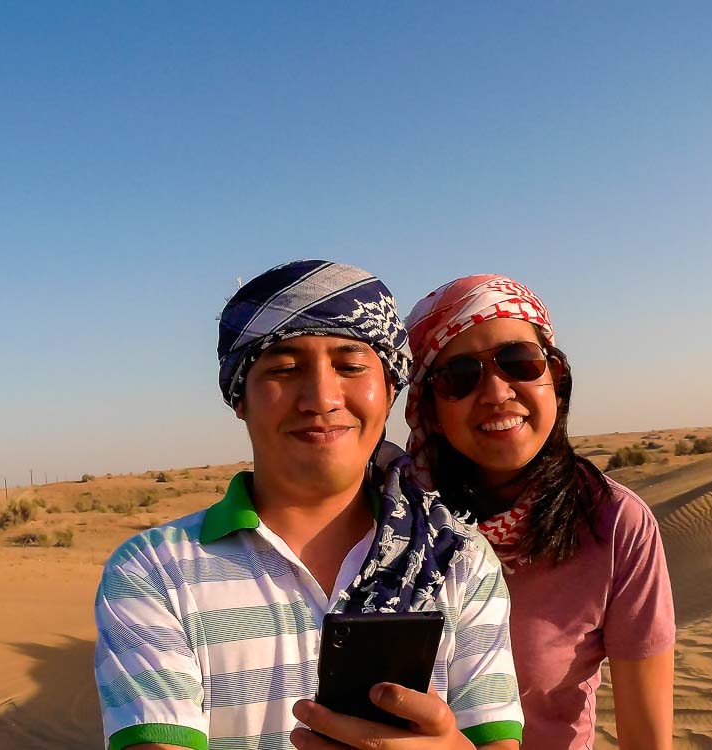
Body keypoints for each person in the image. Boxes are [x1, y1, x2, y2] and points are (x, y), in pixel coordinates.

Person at [94, 260, 524, 750]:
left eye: (351, 366)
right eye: (283, 367)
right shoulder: (155, 570)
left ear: (389, 390)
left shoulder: (456, 559)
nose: (321, 397)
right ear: (239, 397)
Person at [403, 275, 675, 750]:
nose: (495, 392)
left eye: (519, 363)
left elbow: (646, 740)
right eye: (459, 376)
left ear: (556, 378)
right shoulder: (393, 522)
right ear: (430, 407)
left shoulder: (613, 524)